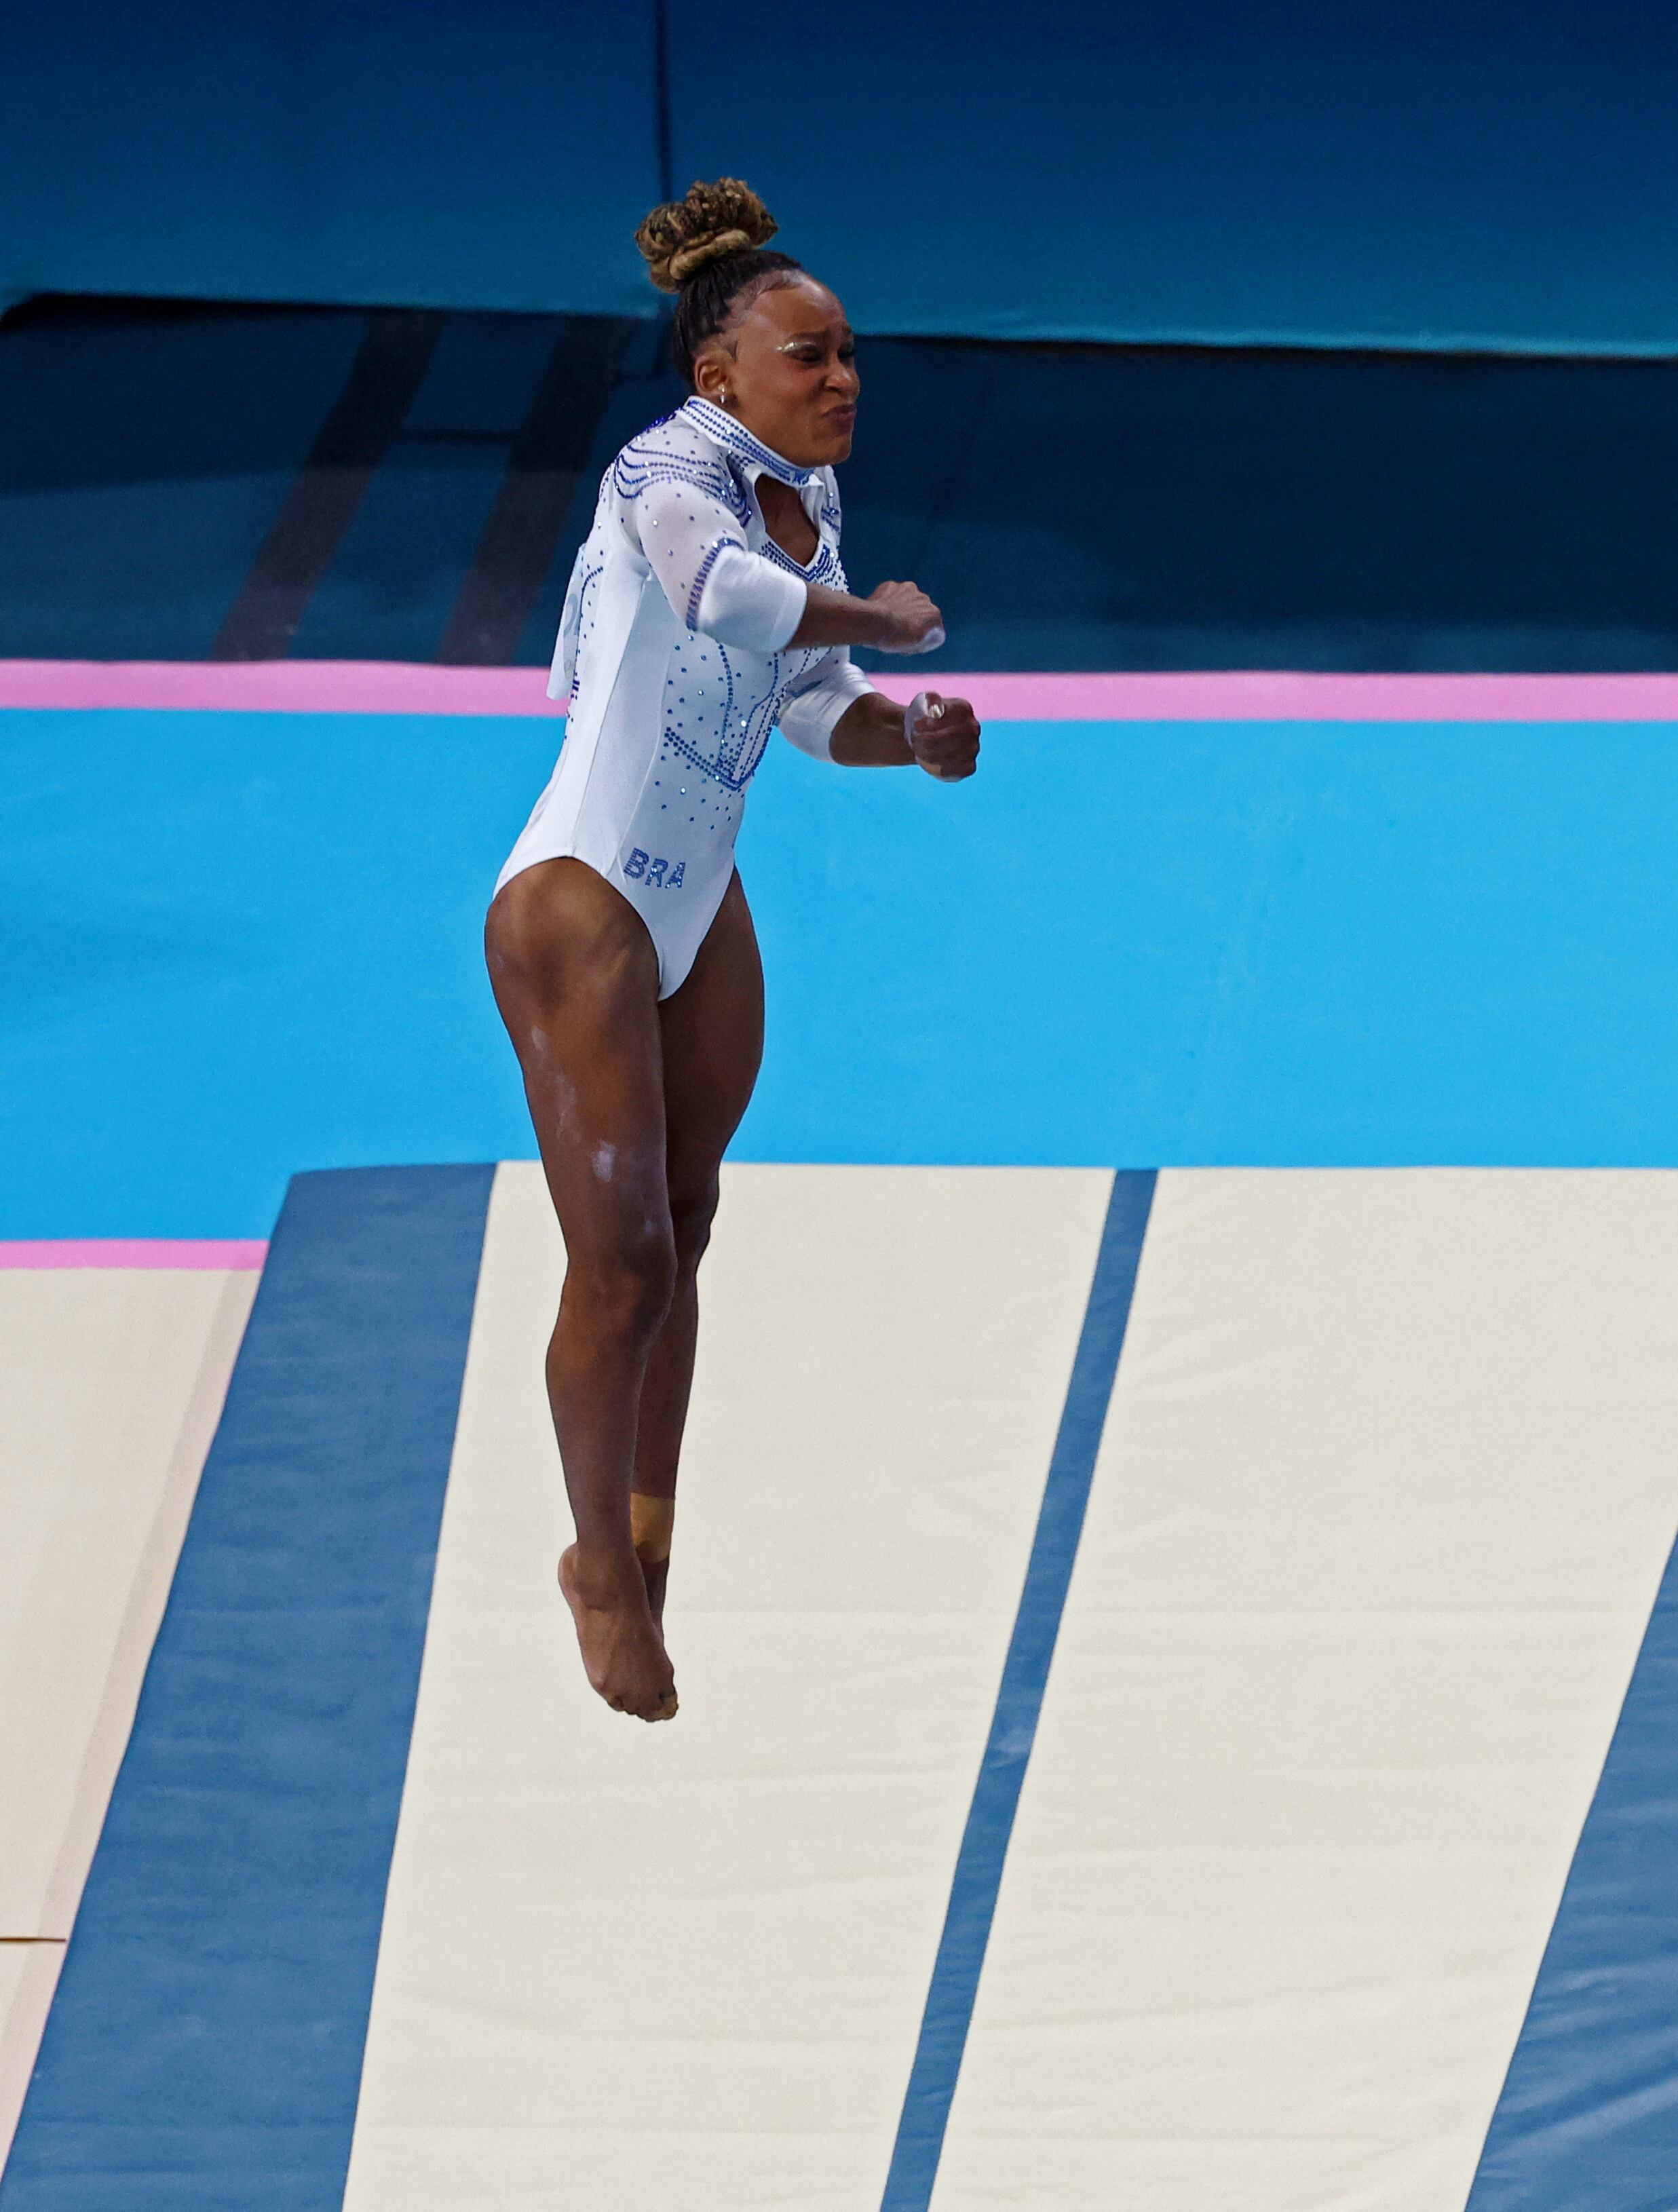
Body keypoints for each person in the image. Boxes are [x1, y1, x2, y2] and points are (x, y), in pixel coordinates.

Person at [484, 178, 981, 1722]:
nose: (840, 379)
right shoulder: (666, 468)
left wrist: (913, 735)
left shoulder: (808, 501)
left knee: (684, 1229)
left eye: (847, 356)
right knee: (617, 1262)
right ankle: (593, 1567)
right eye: (808, 356)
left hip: (697, 895)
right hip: (583, 904)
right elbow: (727, 600)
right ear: (721, 375)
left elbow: (804, 695)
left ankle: (646, 1529)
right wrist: (889, 629)